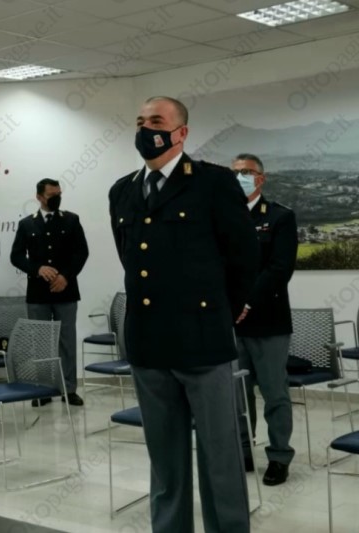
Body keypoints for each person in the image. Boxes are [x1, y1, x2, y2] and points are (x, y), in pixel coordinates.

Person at [108, 96, 259, 533]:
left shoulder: (213, 182)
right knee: (165, 460)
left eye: (156, 121)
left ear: (181, 133)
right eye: (140, 121)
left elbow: (243, 257)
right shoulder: (123, 190)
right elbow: (130, 259)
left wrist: (220, 316)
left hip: (203, 342)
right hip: (148, 343)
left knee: (220, 457)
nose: (146, 129)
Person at [233, 153, 297, 486]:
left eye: (246, 172)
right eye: (235, 172)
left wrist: (247, 301)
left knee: (274, 394)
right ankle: (243, 451)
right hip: (232, 323)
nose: (240, 177)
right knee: (237, 394)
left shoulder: (279, 217)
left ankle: (279, 456)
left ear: (261, 178)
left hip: (269, 321)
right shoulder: (224, 216)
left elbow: (279, 268)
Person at [11, 178, 89, 406]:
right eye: (51, 195)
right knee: (40, 343)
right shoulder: (27, 224)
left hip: (66, 290)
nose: (56, 198)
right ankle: (43, 390)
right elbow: (16, 256)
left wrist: (65, 276)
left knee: (67, 341)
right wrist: (37, 269)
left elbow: (81, 252)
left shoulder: (71, 220)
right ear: (39, 197)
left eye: (59, 194)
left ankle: (68, 389)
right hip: (38, 293)